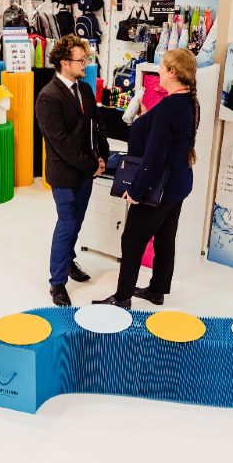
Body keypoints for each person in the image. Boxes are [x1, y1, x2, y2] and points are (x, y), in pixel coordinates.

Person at [94, 49, 199, 309]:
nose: (159, 72)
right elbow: (169, 138)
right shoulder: (189, 102)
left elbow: (154, 158)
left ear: (173, 72)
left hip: (159, 189)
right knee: (166, 237)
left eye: (162, 68)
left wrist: (137, 192)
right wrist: (147, 115)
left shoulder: (167, 109)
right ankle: (157, 289)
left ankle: (121, 298)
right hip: (179, 185)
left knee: (131, 239)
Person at [34, 35, 109, 307]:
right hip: (64, 174)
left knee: (76, 222)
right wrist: (92, 165)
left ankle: (67, 260)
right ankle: (57, 282)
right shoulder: (48, 97)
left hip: (86, 172)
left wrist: (103, 155)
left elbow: (97, 125)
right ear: (64, 63)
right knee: (66, 224)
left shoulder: (85, 90)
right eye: (81, 60)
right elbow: (62, 143)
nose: (86, 64)